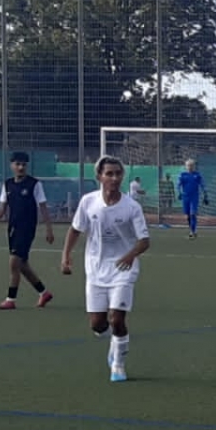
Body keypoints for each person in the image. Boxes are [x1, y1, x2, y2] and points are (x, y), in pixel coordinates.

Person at [61, 156, 150, 383]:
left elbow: (144, 241)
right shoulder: (88, 202)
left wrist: (130, 256)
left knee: (116, 318)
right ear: (99, 177)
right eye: (109, 174)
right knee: (98, 325)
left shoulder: (132, 207)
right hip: (95, 269)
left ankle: (118, 364)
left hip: (123, 269)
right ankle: (114, 341)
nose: (114, 178)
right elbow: (75, 229)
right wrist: (66, 256)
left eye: (118, 174)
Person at [0, 151, 56, 310]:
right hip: (13, 228)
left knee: (14, 262)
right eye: (18, 164)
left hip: (27, 228)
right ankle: (44, 293)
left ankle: (10, 299)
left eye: (23, 164)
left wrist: (49, 229)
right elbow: (2, 208)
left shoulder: (34, 184)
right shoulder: (7, 184)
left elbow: (43, 207)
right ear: (12, 165)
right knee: (22, 265)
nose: (21, 167)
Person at [176, 158, 207, 238]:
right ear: (186, 166)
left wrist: (205, 195)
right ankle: (192, 229)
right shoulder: (183, 175)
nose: (190, 167)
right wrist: (179, 193)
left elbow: (202, 185)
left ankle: (192, 232)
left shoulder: (197, 175)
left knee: (193, 214)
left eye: (191, 165)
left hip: (194, 197)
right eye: (188, 165)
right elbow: (178, 185)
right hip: (185, 197)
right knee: (188, 216)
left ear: (194, 166)